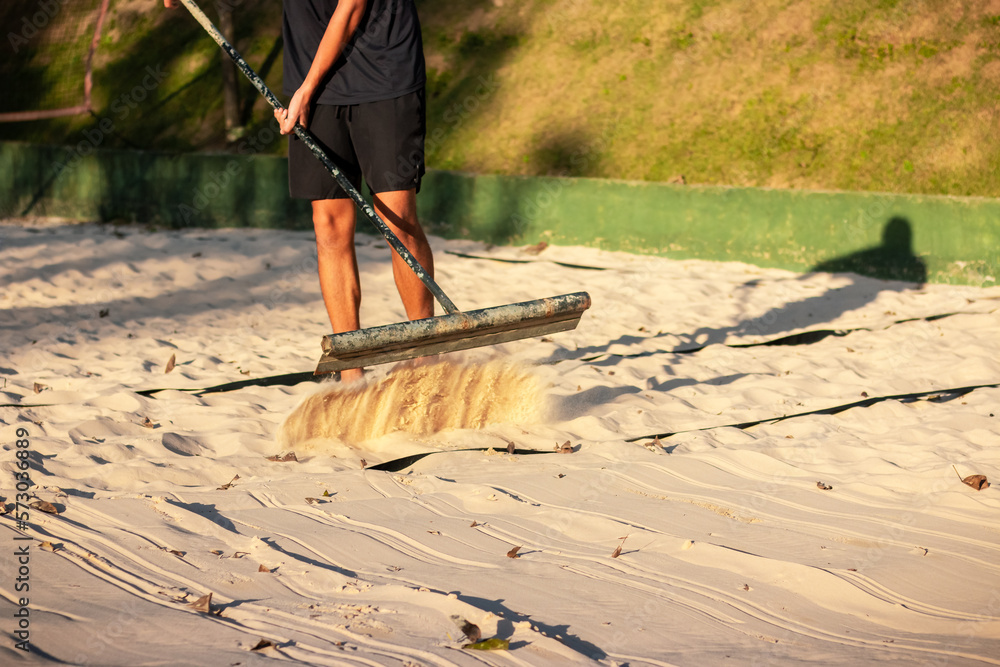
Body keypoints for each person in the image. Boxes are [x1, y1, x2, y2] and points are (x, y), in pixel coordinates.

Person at [165, 0, 435, 383]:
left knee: (397, 219)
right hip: (314, 81)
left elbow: (352, 6)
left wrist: (305, 90)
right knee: (328, 225)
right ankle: (350, 368)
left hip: (385, 75)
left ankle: (425, 352)